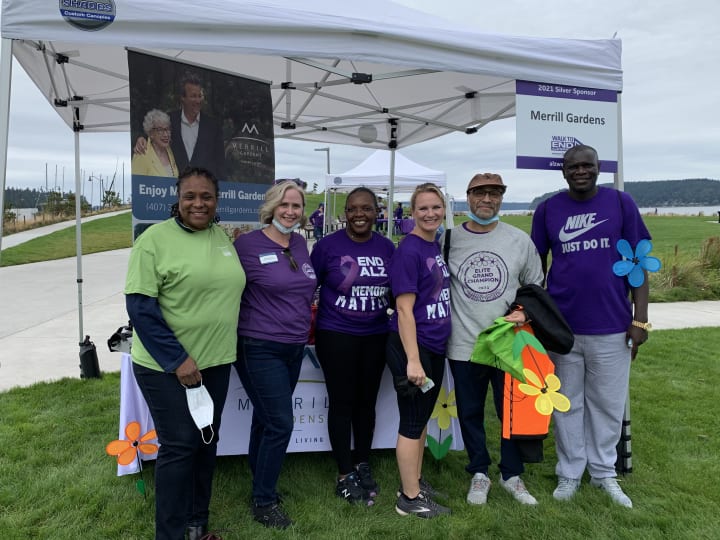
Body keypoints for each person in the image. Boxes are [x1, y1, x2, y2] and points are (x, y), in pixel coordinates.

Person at [125, 167, 246, 540]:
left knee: (206, 443)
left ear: (216, 200)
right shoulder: (154, 241)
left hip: (216, 363)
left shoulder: (221, 237)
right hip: (166, 368)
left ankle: (197, 524)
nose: (198, 203)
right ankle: (172, 534)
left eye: (206, 196)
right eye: (190, 196)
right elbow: (140, 308)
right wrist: (178, 360)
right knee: (179, 447)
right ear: (177, 200)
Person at [530, 144, 651, 509]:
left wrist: (640, 318)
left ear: (599, 168)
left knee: (608, 405)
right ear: (563, 171)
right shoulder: (548, 209)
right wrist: (535, 316)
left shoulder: (620, 204)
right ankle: (569, 472)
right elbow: (535, 269)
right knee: (566, 404)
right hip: (562, 329)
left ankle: (603, 473)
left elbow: (638, 260)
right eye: (573, 166)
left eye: (587, 165)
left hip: (613, 326)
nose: (580, 171)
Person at [440, 173, 543, 507]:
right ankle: (479, 471)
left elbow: (536, 287)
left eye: (494, 193)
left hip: (507, 345)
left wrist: (525, 312)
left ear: (501, 197)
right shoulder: (448, 239)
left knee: (510, 412)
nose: (487, 199)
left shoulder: (519, 240)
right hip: (464, 344)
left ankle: (511, 474)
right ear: (468, 197)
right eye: (480, 193)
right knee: (469, 412)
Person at [233, 179, 317, 529]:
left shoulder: (299, 243)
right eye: (284, 204)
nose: (290, 211)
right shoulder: (247, 245)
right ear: (271, 207)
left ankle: (259, 482)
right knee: (281, 422)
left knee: (266, 419)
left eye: (296, 206)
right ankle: (264, 501)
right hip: (258, 345)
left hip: (294, 346)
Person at [310, 187, 395, 505]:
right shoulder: (326, 246)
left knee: (366, 403)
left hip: (375, 335)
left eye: (367, 208)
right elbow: (308, 286)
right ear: (344, 213)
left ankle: (362, 462)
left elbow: (397, 291)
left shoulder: (387, 247)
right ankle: (344, 473)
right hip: (336, 335)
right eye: (352, 209)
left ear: (377, 212)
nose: (359, 214)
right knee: (342, 403)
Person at [387, 183, 452, 519]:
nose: (430, 214)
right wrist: (413, 360)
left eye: (435, 207)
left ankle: (414, 482)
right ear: (412, 213)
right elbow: (404, 311)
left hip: (434, 345)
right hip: (416, 347)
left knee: (421, 418)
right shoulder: (410, 251)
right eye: (423, 208)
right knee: (412, 421)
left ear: (443, 209)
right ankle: (409, 500)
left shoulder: (433, 245)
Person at [135, 72, 225, 179]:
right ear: (182, 98)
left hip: (204, 190)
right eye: (193, 96)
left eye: (200, 96)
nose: (197, 100)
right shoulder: (169, 120)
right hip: (176, 190)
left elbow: (220, 165)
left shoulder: (213, 126)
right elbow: (154, 134)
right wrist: (141, 139)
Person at [131, 109, 179, 178]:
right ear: (151, 133)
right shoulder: (141, 153)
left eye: (167, 129)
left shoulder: (170, 150)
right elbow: (136, 185)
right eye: (160, 130)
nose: (166, 134)